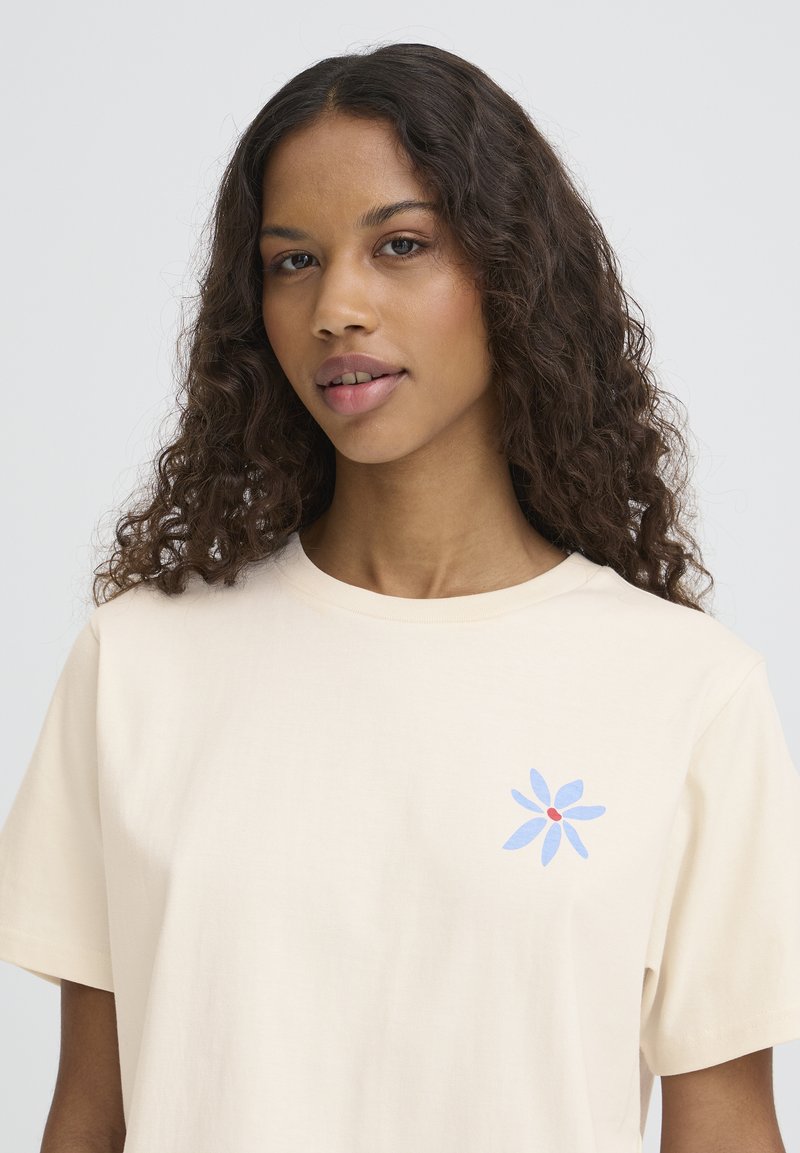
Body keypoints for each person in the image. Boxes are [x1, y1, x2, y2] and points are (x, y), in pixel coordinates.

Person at [1, 41, 798, 1153]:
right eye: (292, 261)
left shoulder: (686, 692)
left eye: (401, 245)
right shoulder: (137, 664)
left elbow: (724, 1128)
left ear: (512, 274)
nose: (336, 305)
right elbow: (89, 1114)